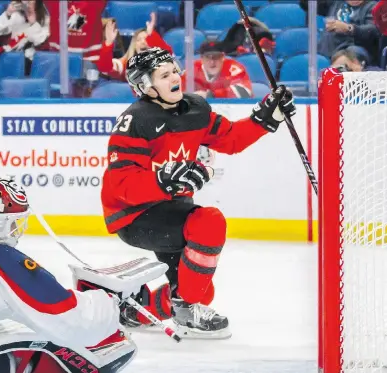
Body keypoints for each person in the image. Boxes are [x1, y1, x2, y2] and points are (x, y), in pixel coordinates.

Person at [101, 47, 296, 338]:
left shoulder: (194, 109)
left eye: (174, 70)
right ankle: (185, 310)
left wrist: (266, 117)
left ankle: (136, 310)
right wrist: (162, 179)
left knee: (202, 289)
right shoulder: (135, 121)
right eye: (164, 75)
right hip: (135, 216)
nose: (175, 77)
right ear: (145, 86)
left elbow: (231, 139)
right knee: (209, 222)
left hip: (170, 208)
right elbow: (121, 186)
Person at [0, 175, 138, 372]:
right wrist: (111, 301)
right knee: (6, 362)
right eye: (14, 223)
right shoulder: (7, 264)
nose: (17, 230)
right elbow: (74, 319)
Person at [96, 12, 173, 82]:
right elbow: (105, 68)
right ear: (134, 46)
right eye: (139, 39)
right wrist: (108, 44)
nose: (143, 42)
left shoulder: (162, 64)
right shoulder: (125, 64)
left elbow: (169, 57)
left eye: (147, 39)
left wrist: (153, 37)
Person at [0, 0, 50, 73]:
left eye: (30, 1)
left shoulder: (44, 18)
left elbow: (40, 43)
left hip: (33, 63)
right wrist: (8, 14)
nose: (27, 4)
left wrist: (33, 24)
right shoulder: (15, 14)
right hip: (10, 60)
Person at [181, 41, 253, 99]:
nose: (212, 62)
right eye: (208, 57)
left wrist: (211, 95)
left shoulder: (233, 68)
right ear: (201, 58)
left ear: (223, 57)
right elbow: (180, 94)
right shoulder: (193, 69)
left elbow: (245, 92)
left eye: (216, 57)